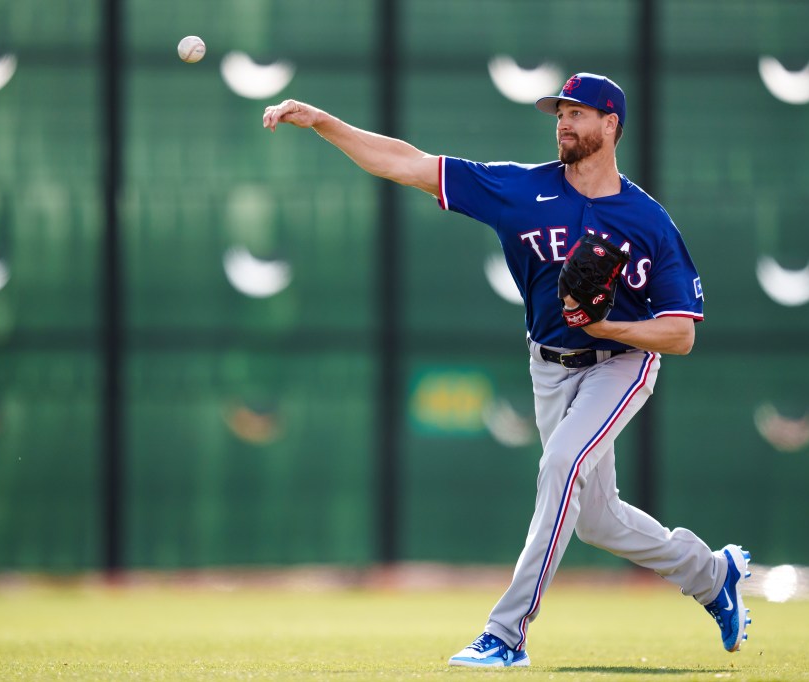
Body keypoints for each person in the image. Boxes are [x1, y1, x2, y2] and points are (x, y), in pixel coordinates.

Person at [263, 72, 751, 668]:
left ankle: (506, 633)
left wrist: (609, 329)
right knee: (596, 518)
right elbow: (409, 164)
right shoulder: (521, 190)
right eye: (559, 113)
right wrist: (324, 123)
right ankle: (713, 573)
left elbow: (679, 333)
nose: (563, 123)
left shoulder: (646, 220)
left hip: (619, 364)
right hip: (548, 365)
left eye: (577, 113)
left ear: (611, 125)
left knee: (561, 466)